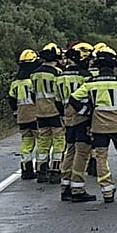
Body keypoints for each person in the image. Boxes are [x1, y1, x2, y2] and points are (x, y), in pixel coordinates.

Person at [68, 45, 117, 203]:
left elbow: (73, 99)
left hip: (98, 127)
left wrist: (85, 112)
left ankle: (107, 192)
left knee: (101, 158)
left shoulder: (91, 82)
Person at [57, 42, 95, 201]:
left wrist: (63, 116)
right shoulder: (85, 76)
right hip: (82, 117)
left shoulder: (59, 77)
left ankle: (65, 186)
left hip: (67, 117)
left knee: (70, 150)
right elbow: (91, 99)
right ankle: (77, 188)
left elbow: (57, 101)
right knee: (82, 151)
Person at [32, 42, 66, 185]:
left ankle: (41, 170)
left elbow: (33, 94)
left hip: (40, 112)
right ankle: (55, 170)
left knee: (43, 141)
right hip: (54, 111)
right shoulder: (57, 73)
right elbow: (59, 94)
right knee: (59, 141)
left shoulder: (33, 74)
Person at [8, 49, 40, 179]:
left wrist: (16, 113)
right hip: (36, 115)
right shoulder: (33, 80)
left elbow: (11, 99)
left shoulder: (15, 83)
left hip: (22, 117)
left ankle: (26, 169)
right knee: (42, 142)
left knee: (26, 142)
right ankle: (41, 168)